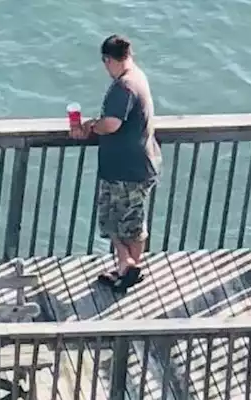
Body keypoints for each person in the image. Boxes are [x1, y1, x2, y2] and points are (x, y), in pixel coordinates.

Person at [72, 34, 162, 293]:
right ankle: (128, 269)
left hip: (127, 169)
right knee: (124, 222)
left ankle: (128, 266)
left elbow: (112, 124)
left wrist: (91, 127)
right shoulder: (138, 77)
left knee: (121, 222)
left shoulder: (124, 87)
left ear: (108, 59)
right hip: (135, 165)